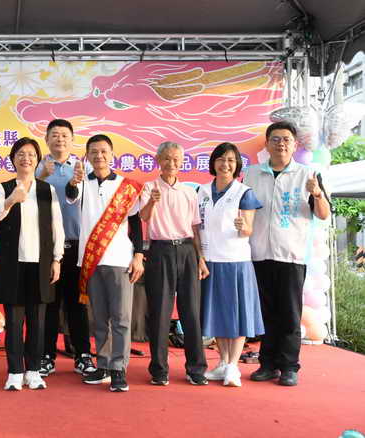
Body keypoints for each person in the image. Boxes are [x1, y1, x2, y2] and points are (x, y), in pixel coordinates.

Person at [244, 121, 331, 387]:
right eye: (275, 139)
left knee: (290, 314)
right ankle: (267, 364)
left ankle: (289, 366)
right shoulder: (252, 174)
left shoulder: (308, 174)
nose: (280, 144)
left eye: (286, 139)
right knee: (266, 313)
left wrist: (317, 194)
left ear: (294, 145)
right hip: (259, 253)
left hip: (291, 255)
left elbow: (324, 214)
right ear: (267, 144)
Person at [65, 135, 144, 392]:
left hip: (120, 259)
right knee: (99, 319)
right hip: (91, 260)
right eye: (94, 152)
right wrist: (73, 182)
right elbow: (71, 195)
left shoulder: (126, 186)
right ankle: (104, 364)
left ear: (112, 155)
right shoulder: (81, 183)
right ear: (87, 156)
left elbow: (135, 223)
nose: (99, 156)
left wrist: (138, 255)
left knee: (121, 317)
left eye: (103, 151)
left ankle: (119, 368)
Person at [0, 137, 64, 391]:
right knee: (13, 321)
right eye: (21, 154)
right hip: (13, 264)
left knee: (37, 321)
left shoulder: (47, 190)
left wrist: (57, 259)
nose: (26, 158)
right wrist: (12, 199)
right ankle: (14, 372)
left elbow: (56, 226)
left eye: (31, 154)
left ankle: (33, 371)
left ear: (37, 159)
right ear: (13, 159)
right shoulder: (2, 188)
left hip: (40, 264)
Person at [140, 141, 209, 386]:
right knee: (160, 312)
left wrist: (200, 258)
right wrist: (152, 202)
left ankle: (196, 368)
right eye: (167, 158)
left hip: (187, 250)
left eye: (176, 159)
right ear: (158, 161)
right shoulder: (149, 187)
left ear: (182, 162)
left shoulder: (189, 192)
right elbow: (144, 218)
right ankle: (159, 370)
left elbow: (195, 228)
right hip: (160, 251)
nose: (171, 163)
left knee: (191, 311)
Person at [198, 142, 264, 387]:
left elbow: (248, 229)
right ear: (213, 162)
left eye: (230, 160)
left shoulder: (243, 192)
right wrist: (199, 256)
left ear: (236, 165)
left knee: (237, 316)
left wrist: (243, 227)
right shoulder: (202, 191)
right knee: (217, 315)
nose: (225, 164)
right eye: (221, 159)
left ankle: (234, 366)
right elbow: (196, 226)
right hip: (210, 261)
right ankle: (223, 362)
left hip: (235, 262)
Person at [36, 119, 96, 377]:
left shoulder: (85, 167)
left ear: (72, 140)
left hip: (77, 245)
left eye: (64, 135)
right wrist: (41, 176)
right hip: (46, 247)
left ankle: (83, 355)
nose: (59, 139)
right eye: (55, 135)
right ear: (47, 139)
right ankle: (46, 356)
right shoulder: (38, 166)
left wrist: (78, 182)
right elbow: (27, 197)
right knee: (48, 304)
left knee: (77, 304)